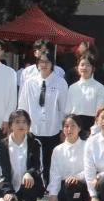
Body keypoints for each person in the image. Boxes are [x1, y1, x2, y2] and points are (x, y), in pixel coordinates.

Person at [16, 48, 67, 187]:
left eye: (47, 62)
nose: (44, 65)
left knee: (51, 160)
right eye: (41, 62)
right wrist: (23, 126)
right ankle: (37, 187)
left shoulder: (60, 83)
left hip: (53, 129)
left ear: (52, 64)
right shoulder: (29, 82)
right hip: (34, 128)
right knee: (34, 160)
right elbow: (22, 106)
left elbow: (64, 108)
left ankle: (50, 187)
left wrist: (63, 129)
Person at [0, 109, 45, 201]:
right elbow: (0, 171)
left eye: (24, 122)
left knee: (29, 180)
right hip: (11, 186)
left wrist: (29, 173)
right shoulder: (2, 145)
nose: (21, 125)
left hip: (28, 185)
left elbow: (39, 167)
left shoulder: (35, 143)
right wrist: (7, 191)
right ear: (10, 125)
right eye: (17, 122)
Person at [43, 115, 89, 201]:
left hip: (83, 187)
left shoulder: (87, 146)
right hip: (65, 188)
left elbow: (90, 168)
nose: (69, 129)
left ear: (79, 128)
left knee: (71, 185)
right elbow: (55, 174)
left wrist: (77, 177)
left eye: (73, 126)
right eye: (66, 126)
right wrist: (53, 194)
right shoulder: (58, 150)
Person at [67, 53, 104, 138]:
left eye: (88, 65)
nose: (84, 68)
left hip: (92, 128)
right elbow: (68, 111)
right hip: (74, 126)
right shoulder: (72, 87)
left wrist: (94, 130)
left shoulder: (100, 87)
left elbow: (100, 112)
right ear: (77, 68)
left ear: (93, 68)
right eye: (82, 65)